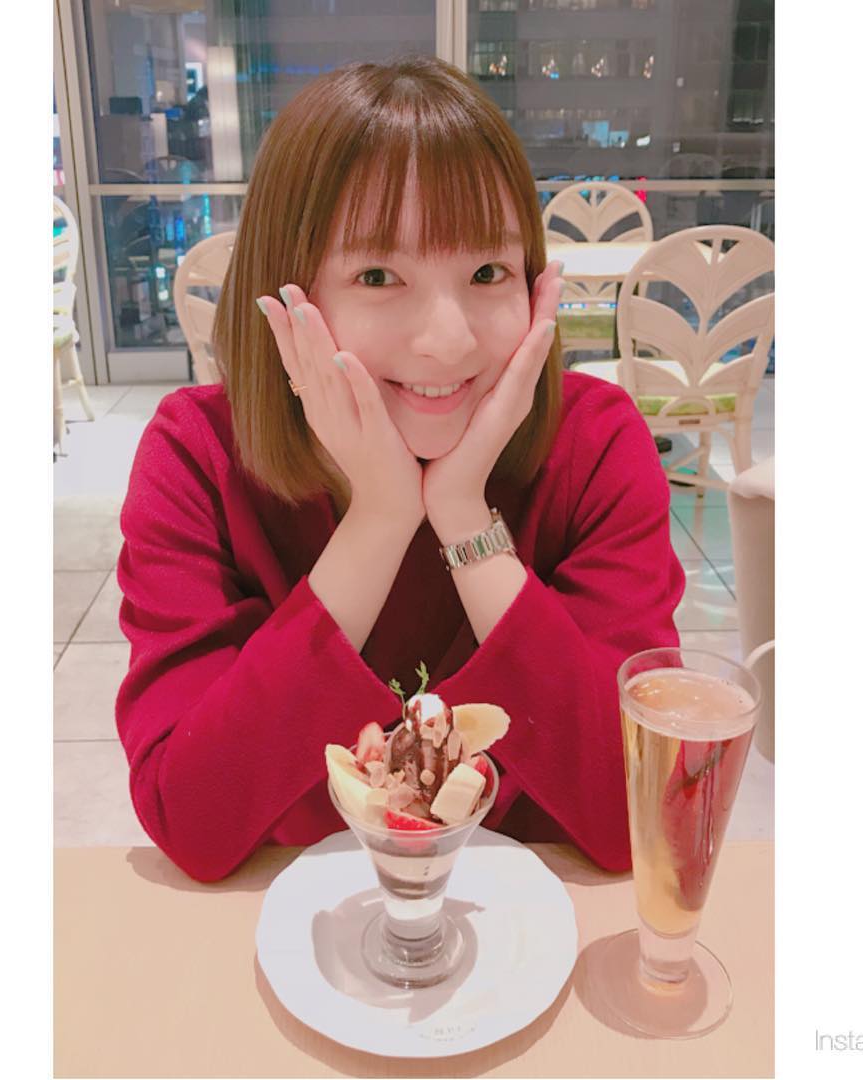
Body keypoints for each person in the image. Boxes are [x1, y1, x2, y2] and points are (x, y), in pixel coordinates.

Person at [115, 56, 684, 883]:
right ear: (290, 293)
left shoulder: (594, 445)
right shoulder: (197, 456)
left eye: (487, 273)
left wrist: (463, 516)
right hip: (294, 924)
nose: (448, 341)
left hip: (523, 928)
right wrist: (380, 521)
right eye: (378, 276)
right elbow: (193, 819)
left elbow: (636, 818)